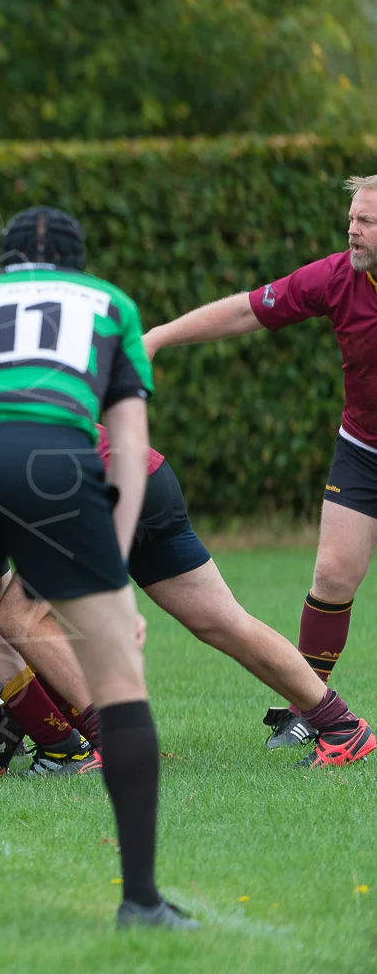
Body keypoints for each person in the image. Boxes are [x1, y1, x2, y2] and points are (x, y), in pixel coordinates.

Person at [0, 207, 196, 930]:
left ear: (5, 263)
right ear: (77, 261)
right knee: (119, 681)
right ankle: (140, 900)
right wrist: (113, 569)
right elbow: (127, 443)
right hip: (51, 462)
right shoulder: (108, 303)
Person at [142, 173, 377, 748]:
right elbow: (248, 312)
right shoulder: (337, 277)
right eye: (351, 217)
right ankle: (311, 709)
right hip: (364, 448)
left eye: (366, 221)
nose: (352, 229)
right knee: (332, 574)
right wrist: (160, 336)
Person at [0, 427, 375, 770]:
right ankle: (342, 726)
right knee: (225, 622)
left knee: (20, 617)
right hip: (143, 473)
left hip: (93, 488)